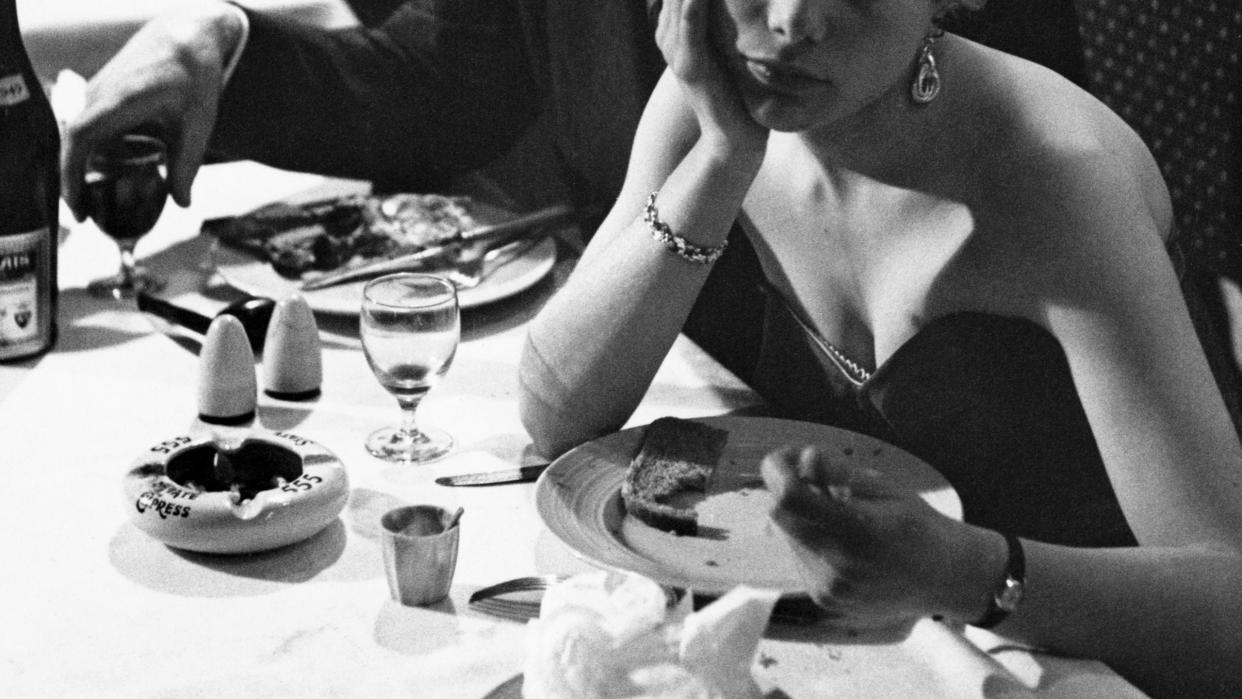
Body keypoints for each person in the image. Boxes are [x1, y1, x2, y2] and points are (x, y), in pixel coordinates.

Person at [516, 0, 1242, 696]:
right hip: (870, 656)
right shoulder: (715, 99)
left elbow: (1229, 611)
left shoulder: (1059, 180)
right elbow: (555, 410)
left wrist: (965, 572)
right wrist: (722, 160)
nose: (792, 18)